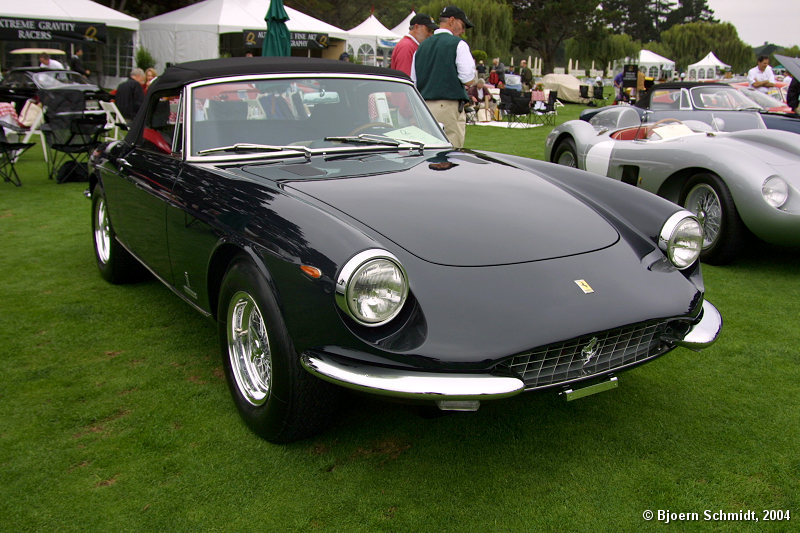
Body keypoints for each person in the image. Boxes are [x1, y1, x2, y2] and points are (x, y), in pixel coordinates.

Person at [411, 5, 476, 148]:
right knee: (450, 153)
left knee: (428, 152)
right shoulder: (458, 44)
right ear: (452, 21)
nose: (463, 30)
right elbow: (468, 78)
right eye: (463, 25)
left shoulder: (421, 48)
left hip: (424, 107)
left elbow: (413, 82)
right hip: (448, 107)